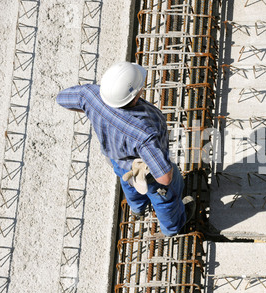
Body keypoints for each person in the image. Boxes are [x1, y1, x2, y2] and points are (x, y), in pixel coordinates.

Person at [56, 61, 194, 236]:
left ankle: (137, 209)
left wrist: (92, 110)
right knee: (166, 196)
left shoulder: (90, 96)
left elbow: (62, 98)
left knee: (128, 182)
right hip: (146, 173)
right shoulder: (143, 133)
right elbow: (165, 178)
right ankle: (173, 227)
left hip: (118, 162)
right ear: (135, 96)